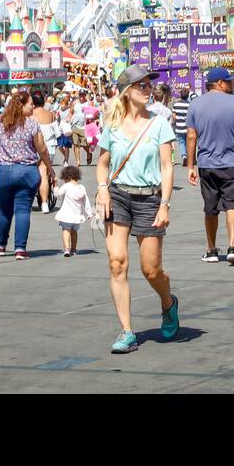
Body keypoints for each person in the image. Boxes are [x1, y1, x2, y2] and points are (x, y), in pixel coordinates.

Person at [94, 65, 177, 353]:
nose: (147, 88)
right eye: (140, 85)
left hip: (150, 199)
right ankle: (127, 331)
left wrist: (165, 204)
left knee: (151, 270)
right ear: (126, 92)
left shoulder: (159, 124)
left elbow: (167, 167)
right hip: (118, 197)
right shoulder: (113, 127)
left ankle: (168, 302)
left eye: (148, 84)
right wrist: (102, 190)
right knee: (117, 262)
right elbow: (102, 165)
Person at [186, 67, 234, 266]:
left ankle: (211, 250)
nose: (231, 84)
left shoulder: (195, 105)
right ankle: (233, 247)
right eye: (228, 82)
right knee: (232, 205)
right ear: (219, 83)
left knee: (210, 208)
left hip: (206, 165)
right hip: (231, 165)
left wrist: (191, 166)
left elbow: (191, 136)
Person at [0, 91, 51, 259]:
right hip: (27, 172)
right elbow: (42, 149)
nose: (32, 106)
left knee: (4, 210)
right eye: (30, 103)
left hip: (3, 172)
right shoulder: (32, 125)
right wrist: (49, 167)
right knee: (23, 210)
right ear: (21, 106)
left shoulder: (1, 121)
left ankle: (1, 245)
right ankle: (20, 249)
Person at [52, 164, 93, 257]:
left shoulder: (66, 186)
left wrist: (55, 185)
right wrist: (89, 214)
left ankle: (67, 249)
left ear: (66, 176)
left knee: (66, 230)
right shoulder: (81, 188)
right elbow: (86, 202)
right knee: (74, 231)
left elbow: (57, 195)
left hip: (66, 215)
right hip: (77, 215)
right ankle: (74, 249)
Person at [30, 90, 58, 210]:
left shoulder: (29, 116)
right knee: (44, 175)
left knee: (29, 174)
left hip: (33, 147)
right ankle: (45, 203)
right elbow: (57, 132)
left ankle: (28, 201)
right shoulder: (50, 114)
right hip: (49, 147)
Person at [171, 89, 191, 165]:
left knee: (181, 142)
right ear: (187, 95)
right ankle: (189, 157)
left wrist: (175, 124)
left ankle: (184, 156)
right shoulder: (190, 105)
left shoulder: (176, 105)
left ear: (181, 95)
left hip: (179, 127)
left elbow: (174, 116)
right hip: (188, 127)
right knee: (188, 142)